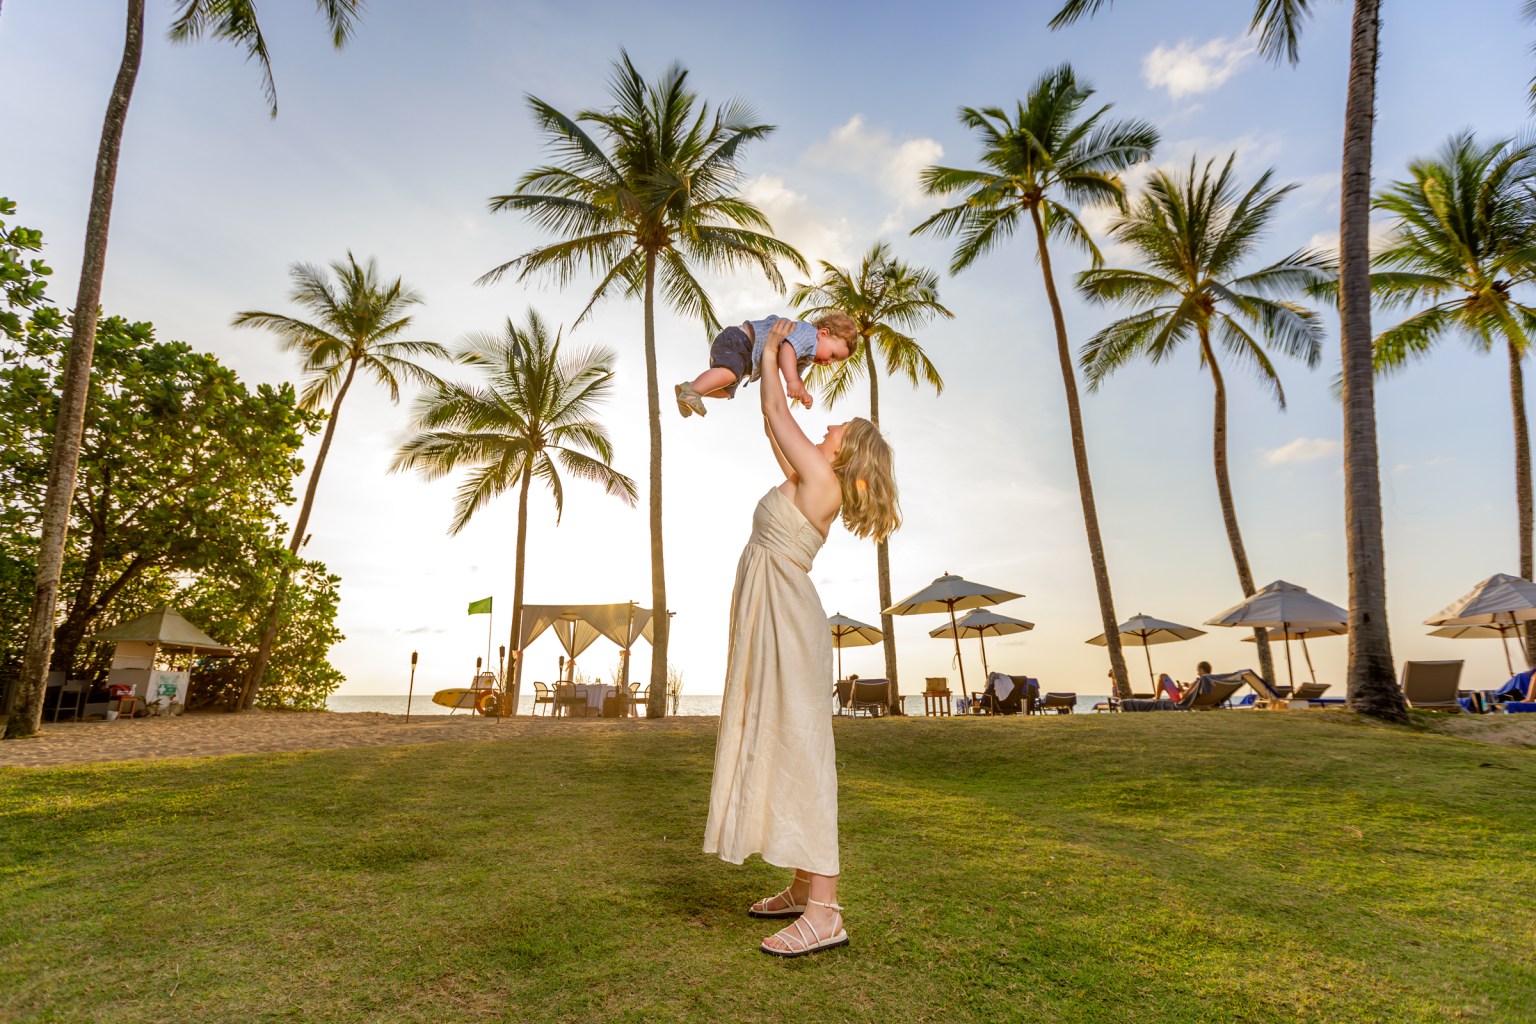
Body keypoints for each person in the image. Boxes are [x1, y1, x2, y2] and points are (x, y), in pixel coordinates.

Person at [702, 318, 900, 958]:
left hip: (788, 615)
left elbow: (770, 404)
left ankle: (825, 912)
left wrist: (777, 342)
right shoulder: (813, 472)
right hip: (777, 610)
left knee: (804, 749)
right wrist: (782, 366)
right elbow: (772, 423)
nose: (828, 426)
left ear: (847, 450)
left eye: (839, 427)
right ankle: (799, 884)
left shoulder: (822, 477)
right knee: (785, 741)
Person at [675, 312, 857, 417]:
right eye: (832, 354)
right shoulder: (808, 334)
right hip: (740, 341)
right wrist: (791, 381)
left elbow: (794, 371)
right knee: (729, 374)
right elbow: (787, 351)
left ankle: (689, 387)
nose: (828, 362)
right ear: (823, 333)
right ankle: (694, 392)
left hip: (745, 357)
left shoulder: (807, 355)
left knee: (726, 391)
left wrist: (801, 390)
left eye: (834, 361)